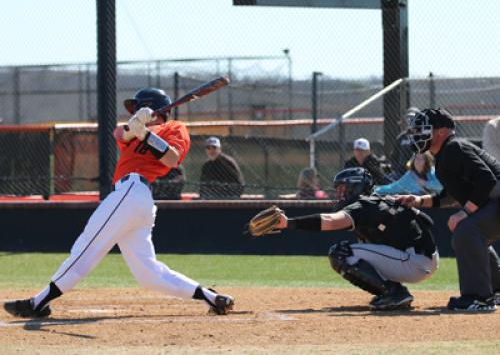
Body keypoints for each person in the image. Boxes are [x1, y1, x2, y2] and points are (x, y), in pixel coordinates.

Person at [3, 87, 234, 319]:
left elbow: (172, 159)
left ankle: (38, 302)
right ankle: (211, 298)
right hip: (133, 199)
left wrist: (146, 134)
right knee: (148, 273)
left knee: (88, 245)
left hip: (133, 192)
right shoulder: (132, 131)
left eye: (136, 107)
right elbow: (119, 134)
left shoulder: (175, 128)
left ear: (152, 107)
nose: (132, 111)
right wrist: (138, 124)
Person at [254, 167, 439, 311]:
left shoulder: (362, 205)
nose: (339, 194)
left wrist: (289, 223)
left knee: (342, 253)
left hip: (414, 260)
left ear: (356, 187)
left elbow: (331, 221)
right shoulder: (374, 201)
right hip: (420, 258)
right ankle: (392, 292)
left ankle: (394, 293)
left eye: (343, 188)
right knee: (357, 248)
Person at [398, 108, 500, 312]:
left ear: (442, 132)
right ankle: (495, 290)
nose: (417, 134)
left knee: (467, 230)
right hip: (494, 202)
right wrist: (418, 200)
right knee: (471, 233)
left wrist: (465, 212)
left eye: (423, 129)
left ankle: (479, 297)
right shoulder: (445, 153)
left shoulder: (454, 148)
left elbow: (487, 180)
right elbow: (450, 195)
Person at [374, 151, 443, 197]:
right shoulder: (410, 175)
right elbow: (393, 187)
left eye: (421, 159)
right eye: (416, 158)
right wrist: (376, 190)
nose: (418, 161)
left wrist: (425, 183)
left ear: (426, 162)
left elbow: (441, 186)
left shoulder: (433, 172)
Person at [389, 107, 420, 178]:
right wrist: (396, 169)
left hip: (419, 172)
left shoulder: (424, 137)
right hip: (401, 172)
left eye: (413, 118)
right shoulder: (401, 137)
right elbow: (394, 156)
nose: (410, 121)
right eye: (408, 118)